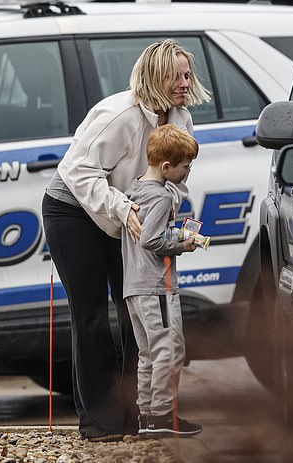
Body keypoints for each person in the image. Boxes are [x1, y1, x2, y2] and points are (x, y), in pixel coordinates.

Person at [41, 39, 210, 441]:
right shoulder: (119, 113)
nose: (185, 83)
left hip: (129, 218)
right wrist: (123, 209)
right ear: (155, 76)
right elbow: (79, 172)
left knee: (137, 310)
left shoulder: (181, 118)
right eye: (176, 75)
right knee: (92, 316)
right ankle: (99, 422)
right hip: (74, 212)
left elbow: (172, 176)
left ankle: (145, 416)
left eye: (188, 75)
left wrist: (168, 219)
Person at [121, 124, 202, 438]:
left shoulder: (134, 189)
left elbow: (144, 233)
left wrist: (174, 233)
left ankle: (146, 415)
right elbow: (151, 241)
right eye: (186, 167)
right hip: (157, 286)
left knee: (148, 353)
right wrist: (183, 245)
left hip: (134, 286)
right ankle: (164, 415)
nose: (188, 172)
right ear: (167, 167)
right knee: (170, 348)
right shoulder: (161, 197)